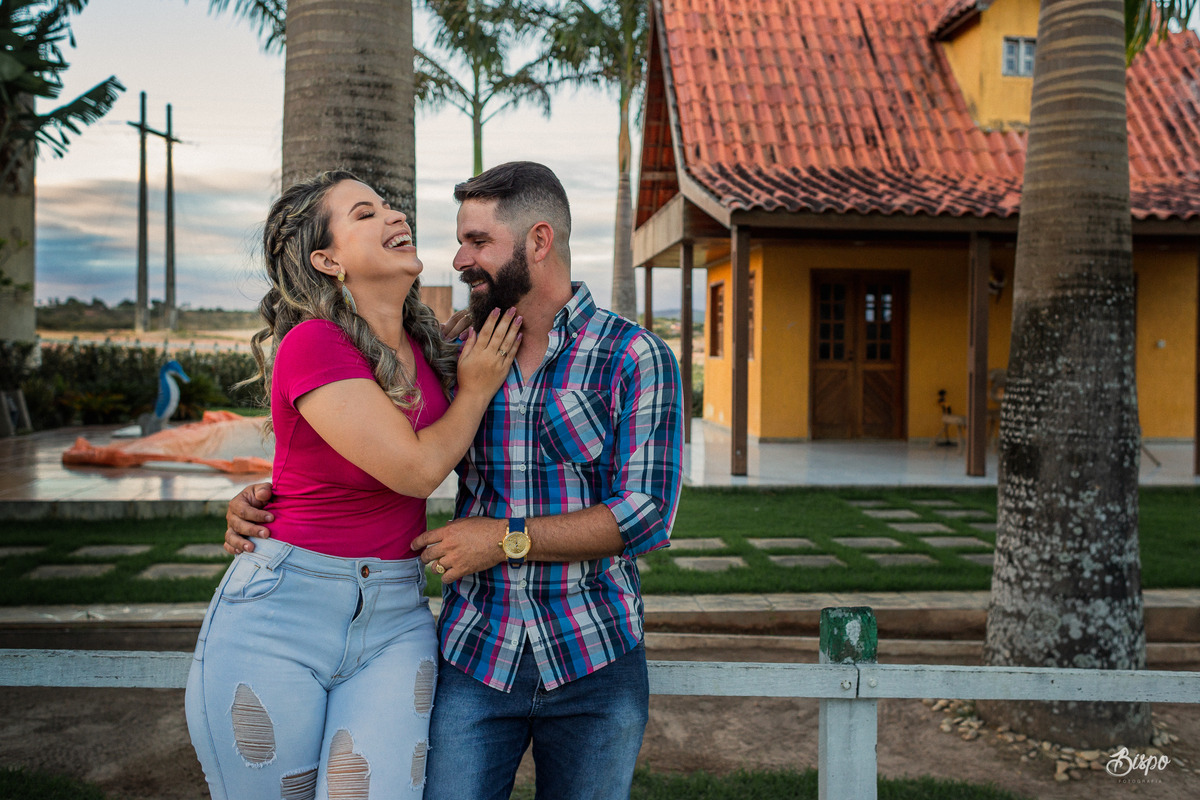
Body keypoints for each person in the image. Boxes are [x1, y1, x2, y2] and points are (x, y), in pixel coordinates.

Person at [225, 161, 684, 800]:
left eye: (478, 242)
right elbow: (369, 446)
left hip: (595, 653)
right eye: (461, 240)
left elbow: (646, 514)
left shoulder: (635, 357)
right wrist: (260, 501)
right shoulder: (452, 353)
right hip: (475, 655)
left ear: (539, 242)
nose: (460, 258)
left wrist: (504, 539)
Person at [187, 169, 521, 800]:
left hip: (395, 615)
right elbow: (418, 468)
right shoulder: (314, 342)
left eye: (391, 207)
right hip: (280, 614)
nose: (396, 216)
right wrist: (476, 389)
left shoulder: (432, 347)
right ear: (327, 259)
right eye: (365, 214)